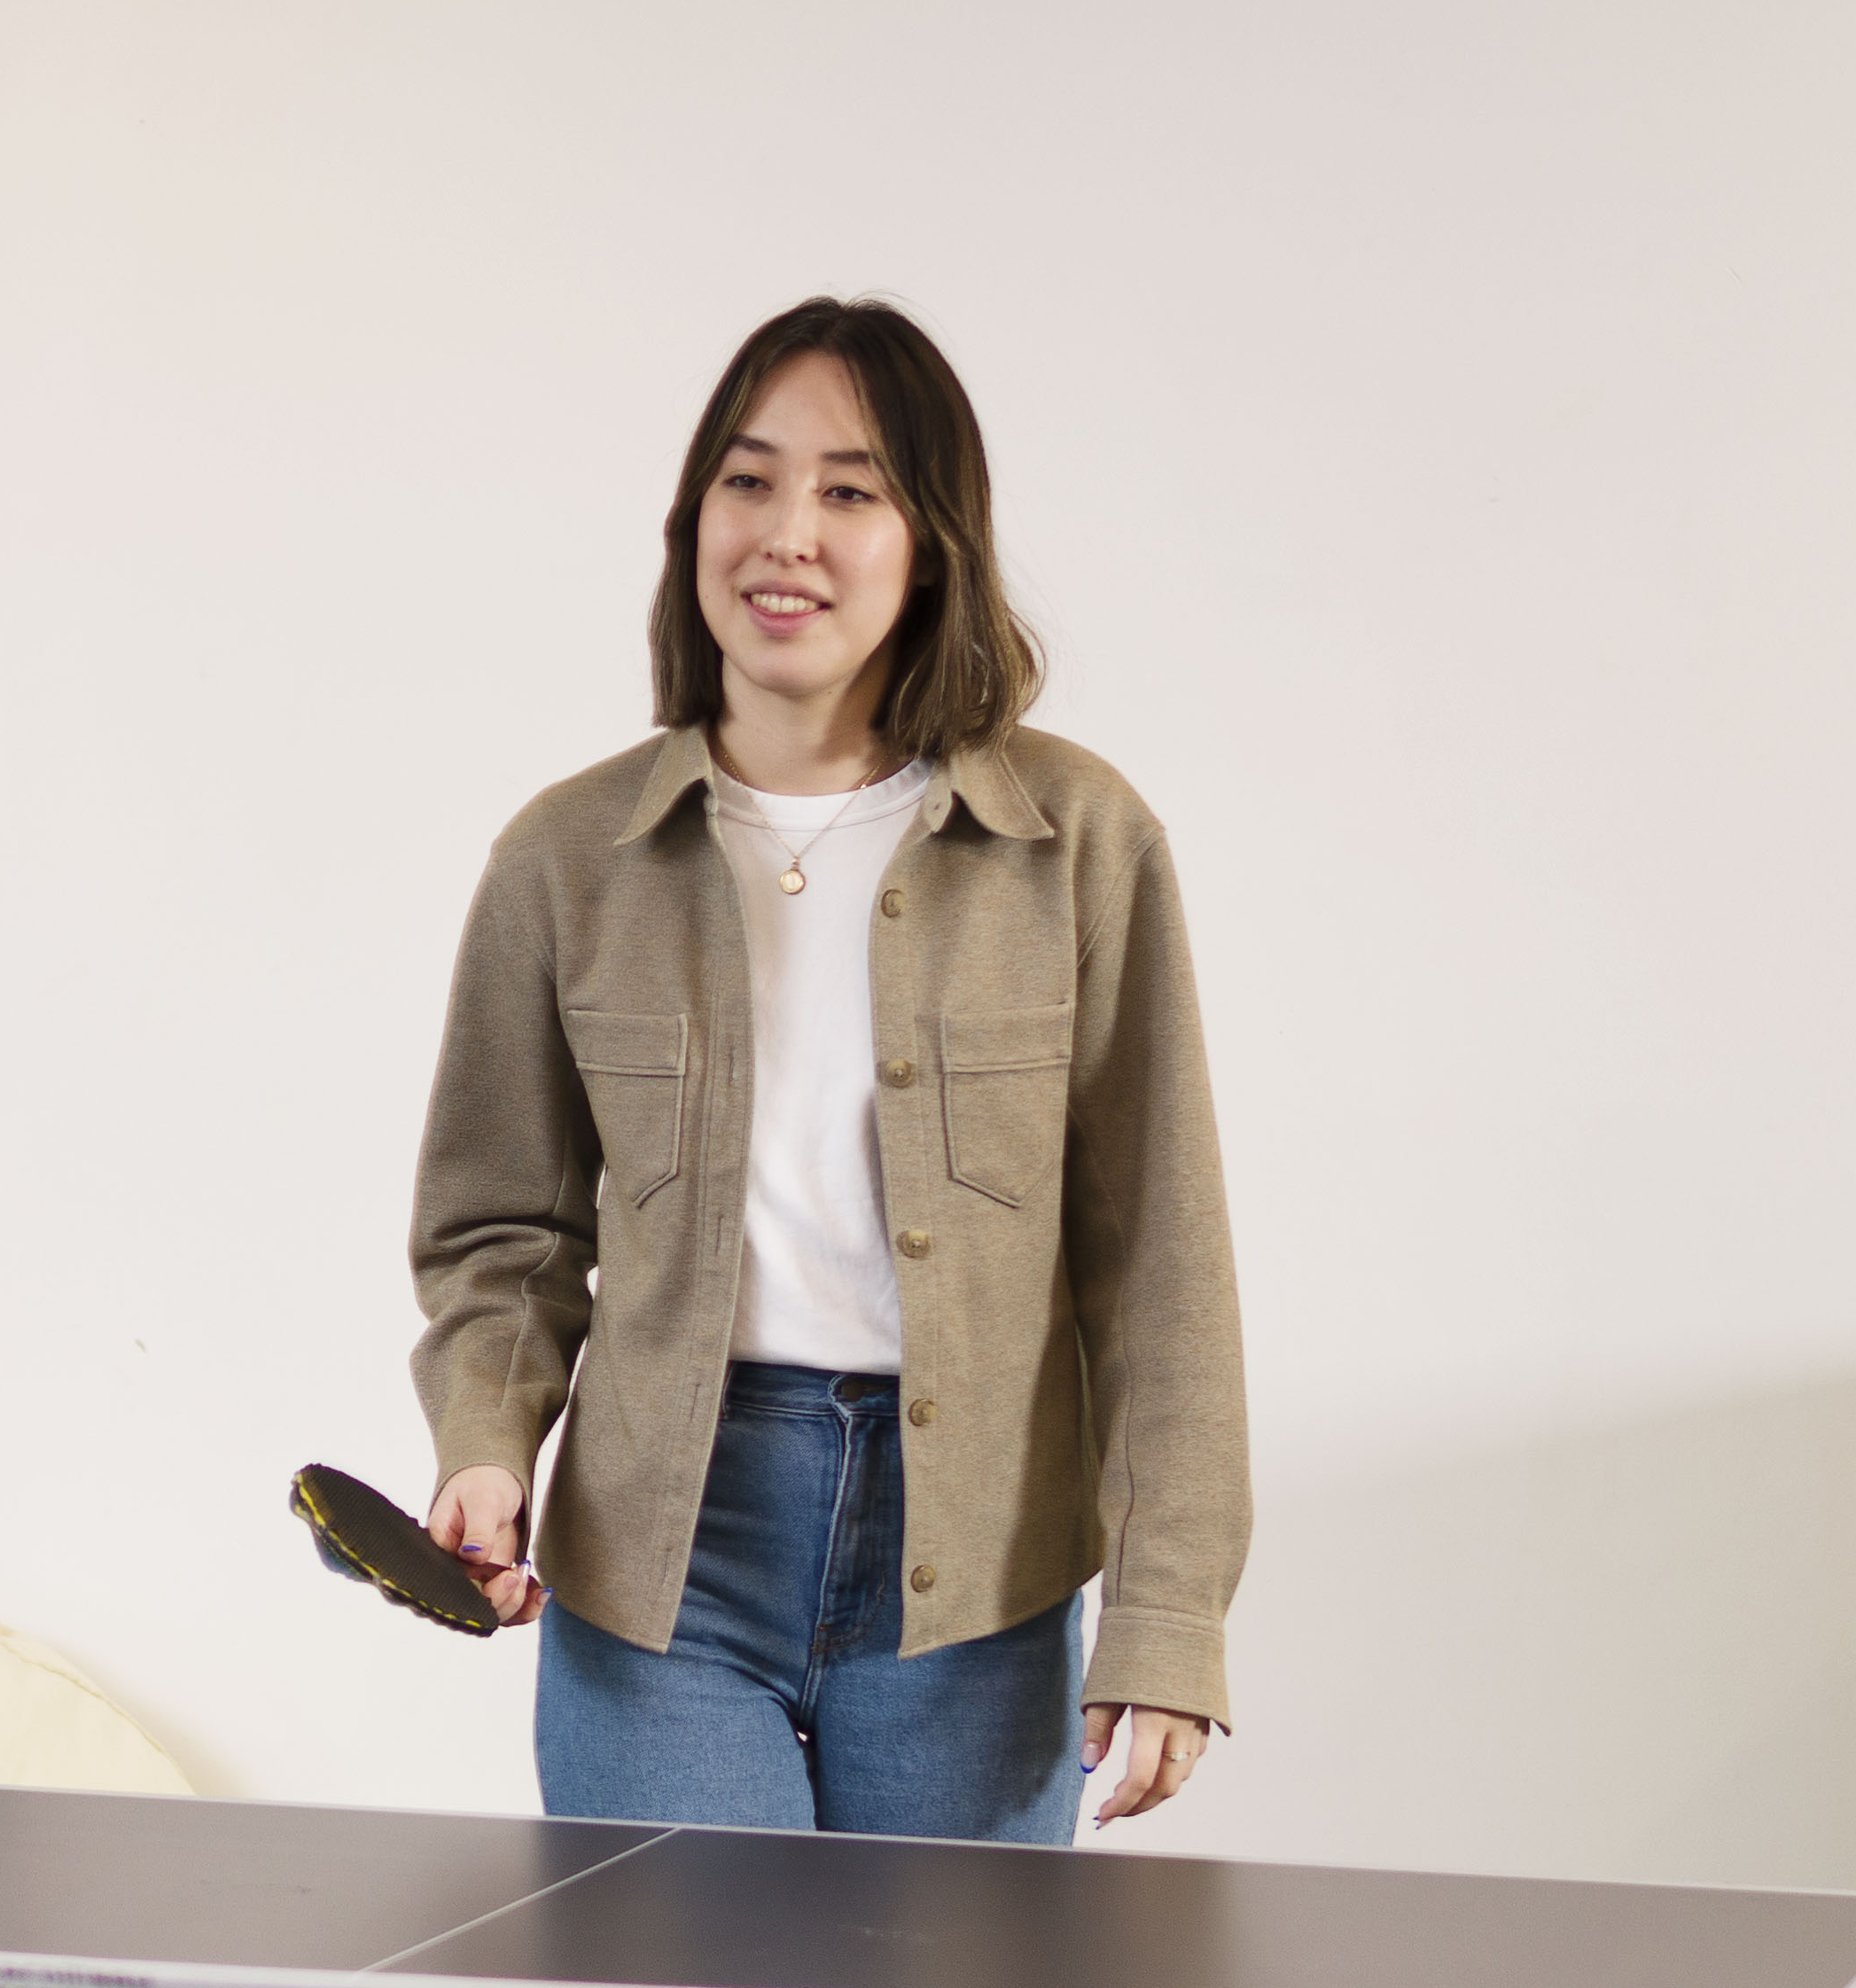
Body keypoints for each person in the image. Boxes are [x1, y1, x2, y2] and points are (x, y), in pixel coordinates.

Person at [409, 300, 1243, 1843]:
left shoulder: (1078, 843)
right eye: (750, 480)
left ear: (933, 542)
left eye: (851, 491)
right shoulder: (565, 859)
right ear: (694, 519)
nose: (789, 533)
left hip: (975, 1577)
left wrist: (1170, 1614)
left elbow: (1162, 1272)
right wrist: (484, 1441)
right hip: (665, 1566)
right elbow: (501, 1236)